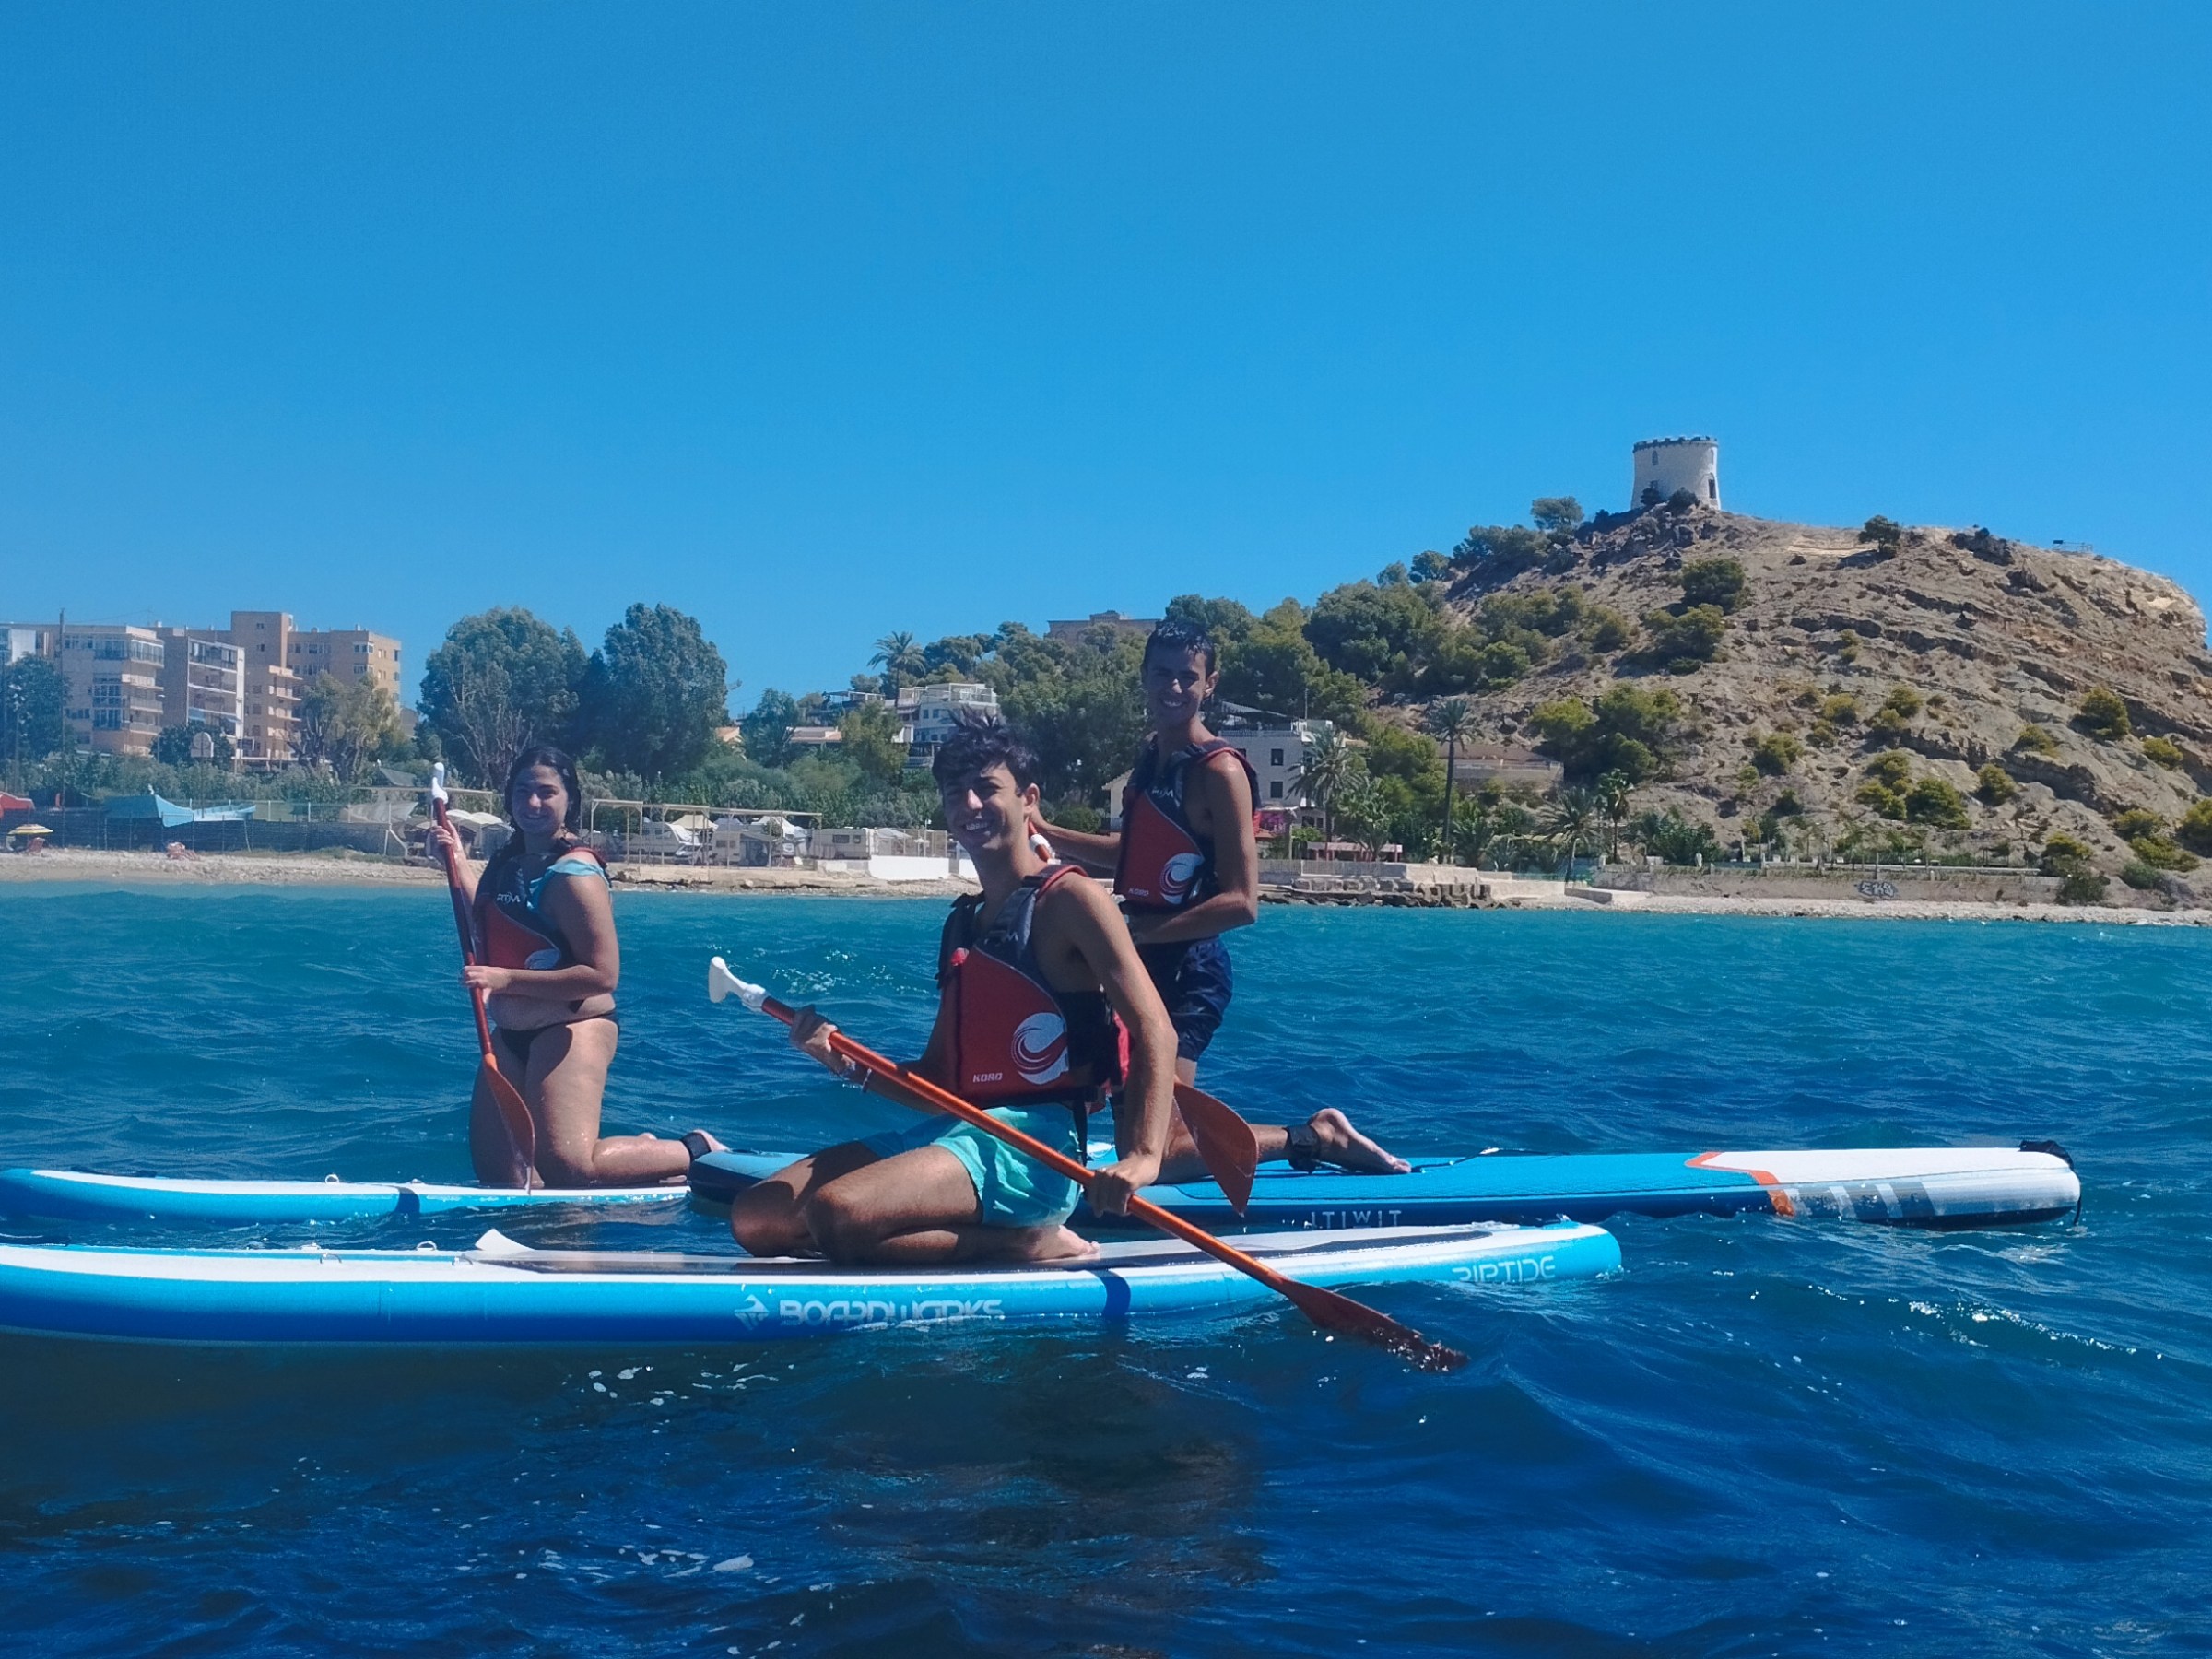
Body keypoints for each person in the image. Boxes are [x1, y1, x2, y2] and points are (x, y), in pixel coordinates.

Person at [729, 716, 1179, 1265]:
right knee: (756, 1218)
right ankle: (921, 1235)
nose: (969, 804)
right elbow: (937, 1082)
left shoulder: (1072, 901)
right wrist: (841, 1060)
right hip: (958, 1130)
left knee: (836, 1214)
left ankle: (1029, 1239)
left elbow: (1155, 1027)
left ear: (1028, 798)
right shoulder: (963, 924)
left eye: (986, 788)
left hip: (1035, 1151)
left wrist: (1142, 1157)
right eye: (953, 793)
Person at [1035, 618, 1408, 1178]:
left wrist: (1135, 934)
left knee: (1151, 1152)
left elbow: (1242, 902)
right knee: (1140, 1134)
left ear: (1209, 685)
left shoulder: (1222, 771)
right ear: (1143, 678)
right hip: (1136, 963)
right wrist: (1042, 828)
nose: (1173, 688)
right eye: (1162, 674)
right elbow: (1131, 855)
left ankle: (1314, 1137)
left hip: (1187, 970)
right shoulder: (1150, 757)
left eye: (1188, 678)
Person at [426, 745, 717, 1186]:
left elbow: (603, 975)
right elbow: (490, 920)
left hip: (570, 1030)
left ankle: (696, 1149)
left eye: (546, 792)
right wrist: (456, 859)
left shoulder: (574, 875)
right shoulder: (509, 863)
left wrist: (505, 979)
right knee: (502, 1176)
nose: (533, 803)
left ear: (569, 801)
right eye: (522, 792)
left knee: (569, 1166)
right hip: (512, 1036)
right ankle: (641, 1156)